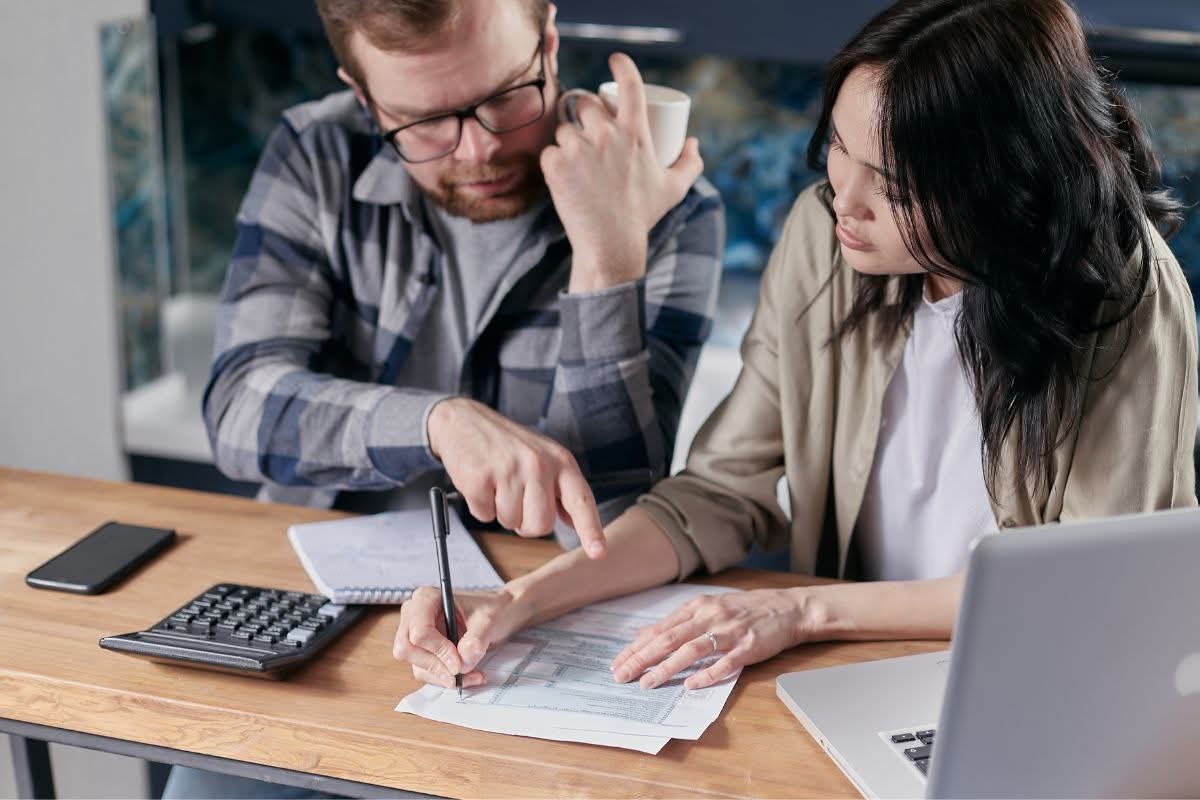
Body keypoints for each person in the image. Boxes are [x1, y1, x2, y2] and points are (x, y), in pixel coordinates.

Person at [393, 0, 1198, 696]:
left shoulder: (1125, 297)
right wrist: (521, 598)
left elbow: (1081, 590)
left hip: (1024, 680)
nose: (842, 197)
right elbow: (717, 493)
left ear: (1003, 185)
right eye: (839, 146)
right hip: (845, 669)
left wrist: (802, 609)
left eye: (897, 186)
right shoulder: (825, 237)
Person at [201, 0, 724, 555]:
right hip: (316, 569)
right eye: (423, 121)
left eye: (505, 96)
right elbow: (238, 409)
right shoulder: (319, 153)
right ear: (363, 97)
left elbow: (610, 525)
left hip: (538, 596)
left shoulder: (669, 209)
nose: (482, 149)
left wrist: (606, 260)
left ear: (548, 42)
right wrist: (437, 425)